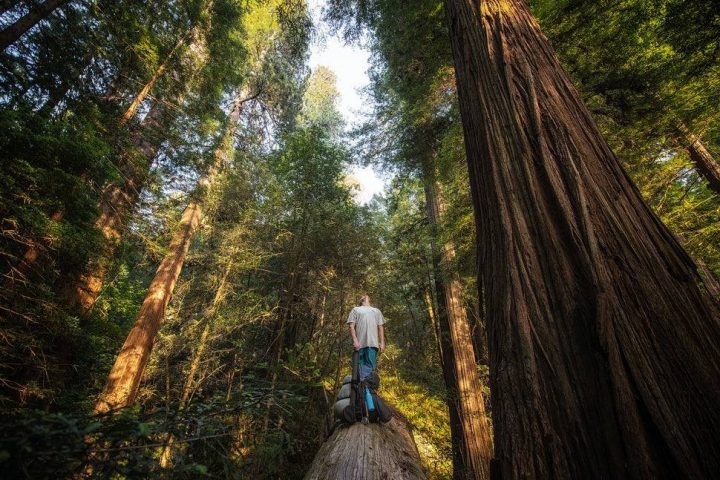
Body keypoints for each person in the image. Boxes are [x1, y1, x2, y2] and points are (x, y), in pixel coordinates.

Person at [346, 294, 385, 414]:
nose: (365, 296)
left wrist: (382, 342)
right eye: (363, 296)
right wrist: (355, 340)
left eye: (367, 296)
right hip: (359, 345)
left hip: (372, 344)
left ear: (369, 299)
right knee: (358, 372)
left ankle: (370, 404)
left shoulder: (376, 311)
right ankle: (360, 404)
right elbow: (351, 326)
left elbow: (380, 327)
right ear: (361, 300)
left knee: (369, 371)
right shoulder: (355, 310)